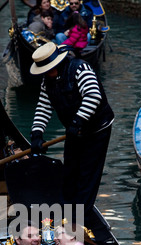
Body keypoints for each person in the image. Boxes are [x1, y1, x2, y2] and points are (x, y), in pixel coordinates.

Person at [30, 41, 114, 232]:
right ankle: (66, 216)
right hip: (74, 131)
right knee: (70, 173)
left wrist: (77, 122)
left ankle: (78, 224)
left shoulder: (79, 68)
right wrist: (36, 134)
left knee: (86, 175)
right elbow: (43, 107)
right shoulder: (47, 80)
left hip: (97, 129)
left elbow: (94, 96)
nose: (45, 72)